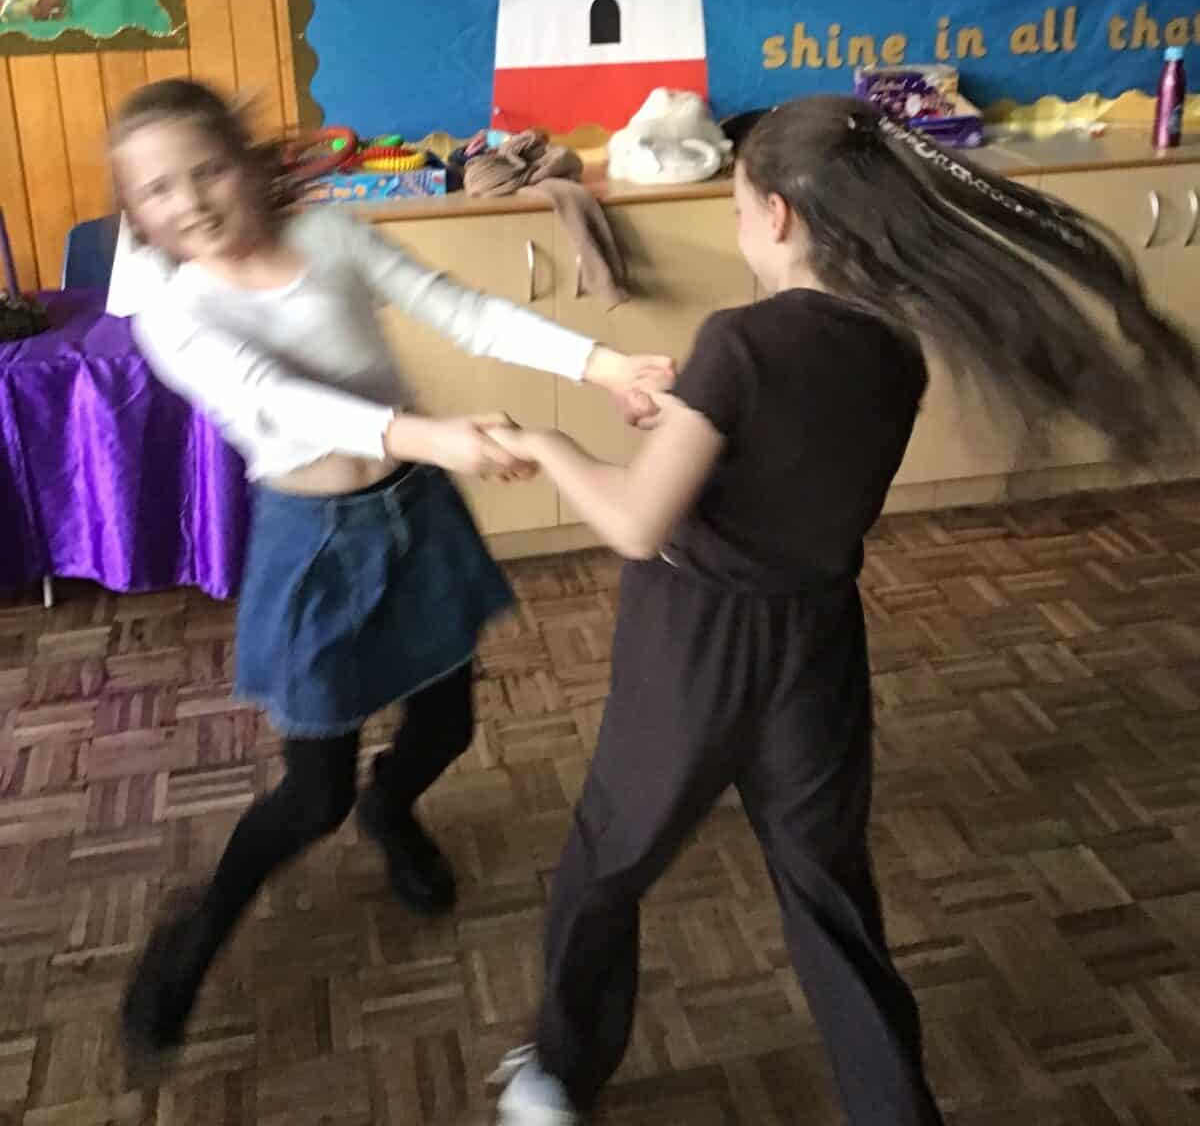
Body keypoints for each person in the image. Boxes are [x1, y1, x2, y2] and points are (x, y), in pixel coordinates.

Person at [484, 95, 1200, 1126]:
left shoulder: (739, 342)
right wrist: (690, 415)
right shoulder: (894, 346)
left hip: (696, 647)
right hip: (816, 645)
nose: (741, 225)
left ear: (776, 214)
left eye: (738, 207)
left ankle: (557, 1070)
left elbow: (640, 522)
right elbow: (786, 453)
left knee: (609, 856)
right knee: (829, 893)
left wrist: (549, 445)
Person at [107, 79, 672, 1063]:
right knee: (311, 795)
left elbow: (464, 312)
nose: (189, 201)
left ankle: (391, 808)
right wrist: (430, 433)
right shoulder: (174, 313)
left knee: (447, 725)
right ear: (136, 212)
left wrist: (606, 366)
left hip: (416, 514)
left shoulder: (332, 238)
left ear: (249, 162)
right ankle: (193, 936)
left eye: (206, 170)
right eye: (158, 189)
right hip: (313, 541)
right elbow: (275, 397)